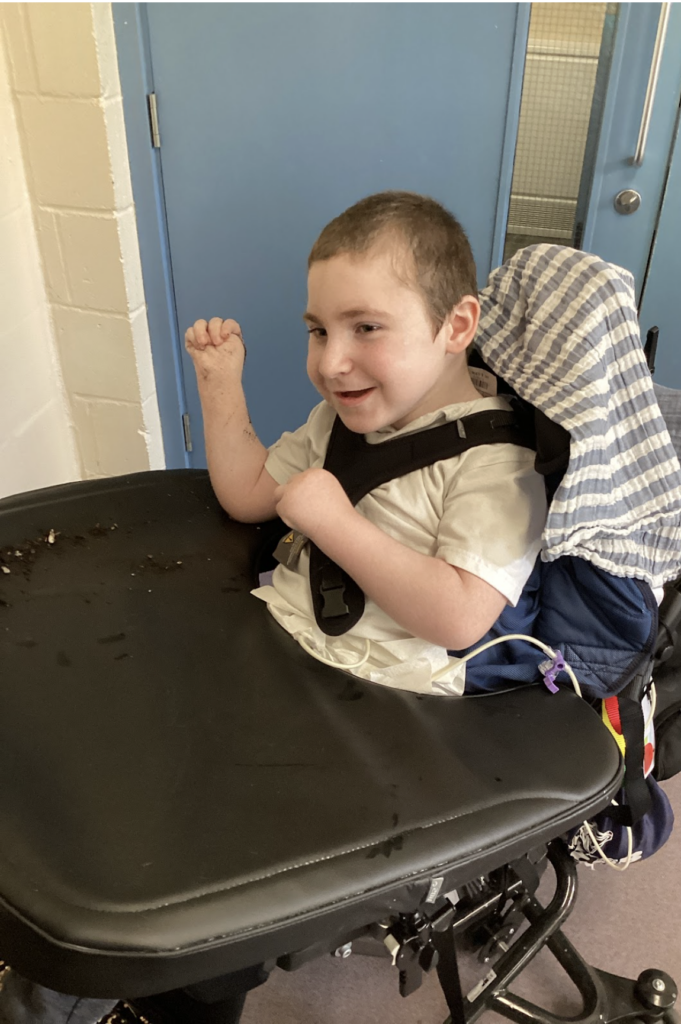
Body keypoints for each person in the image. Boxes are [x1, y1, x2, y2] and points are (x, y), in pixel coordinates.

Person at [184, 191, 547, 696]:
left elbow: (460, 617)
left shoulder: (497, 463)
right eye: (318, 331)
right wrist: (220, 388)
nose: (331, 363)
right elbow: (248, 494)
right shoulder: (336, 421)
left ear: (456, 325)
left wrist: (334, 524)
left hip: (389, 696)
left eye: (366, 327)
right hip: (287, 647)